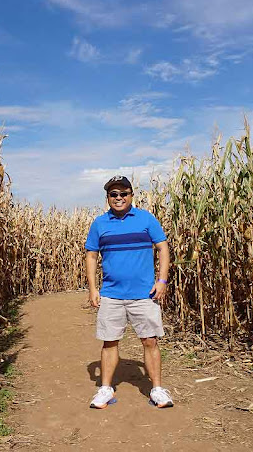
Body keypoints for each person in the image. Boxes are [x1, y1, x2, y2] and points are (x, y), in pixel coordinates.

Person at [85, 175, 173, 409]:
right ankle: (105, 389)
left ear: (131, 195)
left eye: (123, 193)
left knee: (150, 341)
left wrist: (162, 280)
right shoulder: (100, 224)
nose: (119, 198)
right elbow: (91, 255)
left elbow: (163, 247)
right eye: (113, 194)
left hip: (144, 295)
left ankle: (157, 389)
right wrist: (93, 288)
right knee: (109, 342)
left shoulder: (146, 219)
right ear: (108, 198)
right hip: (111, 294)